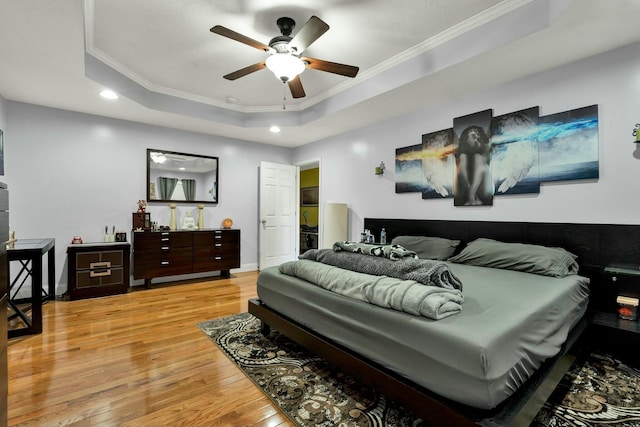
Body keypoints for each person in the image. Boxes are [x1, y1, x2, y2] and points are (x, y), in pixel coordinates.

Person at [455, 125, 492, 206]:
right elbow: (460, 168)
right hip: (463, 188)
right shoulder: (462, 154)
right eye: (471, 134)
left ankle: (471, 195)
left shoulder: (484, 150)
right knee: (462, 157)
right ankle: (471, 195)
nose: (474, 135)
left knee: (478, 157)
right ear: (465, 138)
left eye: (476, 134)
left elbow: (482, 168)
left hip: (484, 187)